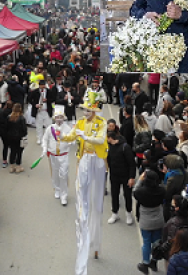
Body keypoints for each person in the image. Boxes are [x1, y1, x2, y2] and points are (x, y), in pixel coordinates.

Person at [61, 96, 108, 274]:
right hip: (84, 159)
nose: (85, 113)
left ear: (95, 111)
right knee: (82, 200)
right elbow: (72, 135)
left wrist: (85, 136)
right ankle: (83, 226)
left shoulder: (101, 123)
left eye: (88, 110)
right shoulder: (80, 122)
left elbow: (101, 139)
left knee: (97, 203)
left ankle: (95, 242)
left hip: (97, 160)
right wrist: (61, 137)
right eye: (85, 110)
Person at [133, 170, 165, 274]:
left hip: (146, 221)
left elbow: (135, 190)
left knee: (146, 242)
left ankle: (145, 263)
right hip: (158, 219)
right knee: (156, 242)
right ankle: (154, 262)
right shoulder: (161, 191)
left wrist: (140, 180)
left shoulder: (141, 192)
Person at [41, 105, 72, 206]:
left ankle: (64, 195)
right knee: (55, 173)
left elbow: (72, 140)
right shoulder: (50, 128)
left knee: (64, 175)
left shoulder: (67, 128)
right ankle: (57, 189)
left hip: (64, 155)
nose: (59, 119)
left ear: (64, 118)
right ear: (54, 118)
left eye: (61, 117)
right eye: (57, 117)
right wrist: (45, 149)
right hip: (53, 155)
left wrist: (68, 142)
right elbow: (45, 139)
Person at [106, 131, 136, 225]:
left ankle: (128, 214)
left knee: (127, 195)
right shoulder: (108, 147)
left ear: (110, 138)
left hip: (125, 176)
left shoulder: (125, 147)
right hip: (114, 175)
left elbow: (132, 164)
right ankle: (115, 213)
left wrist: (131, 177)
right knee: (114, 194)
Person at [162, 154, 188, 221]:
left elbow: (167, 191)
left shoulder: (172, 178)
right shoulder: (184, 172)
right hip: (180, 195)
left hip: (172, 198)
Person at [4, 103, 27, 173]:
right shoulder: (21, 118)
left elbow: (6, 127)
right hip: (19, 137)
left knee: (12, 151)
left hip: (10, 137)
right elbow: (24, 129)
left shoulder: (9, 117)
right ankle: (18, 166)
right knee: (19, 152)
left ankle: (12, 166)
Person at [29, 80, 54, 145]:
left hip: (47, 111)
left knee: (48, 126)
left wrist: (47, 100)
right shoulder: (35, 92)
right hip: (38, 111)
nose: (43, 87)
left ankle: (47, 138)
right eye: (41, 86)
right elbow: (29, 99)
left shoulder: (49, 91)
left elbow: (53, 99)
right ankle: (39, 138)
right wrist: (35, 104)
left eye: (44, 86)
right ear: (39, 85)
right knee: (39, 126)